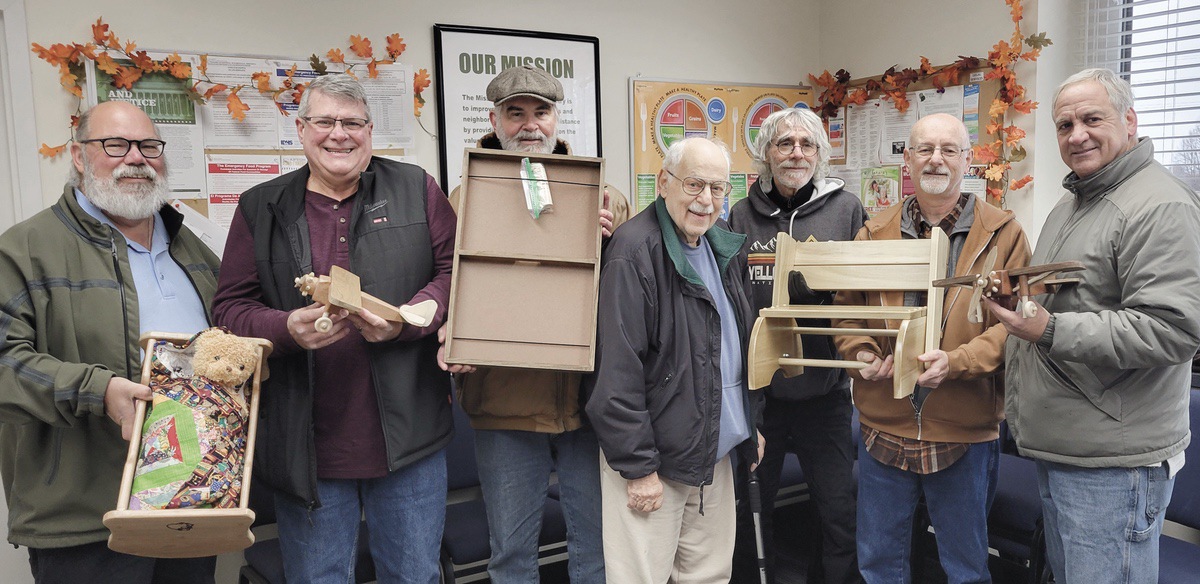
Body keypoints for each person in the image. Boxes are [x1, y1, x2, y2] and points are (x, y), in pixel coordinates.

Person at [211, 73, 455, 583]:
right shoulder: (261, 206)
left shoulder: (417, 189)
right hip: (307, 445)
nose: (338, 134)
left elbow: (455, 276)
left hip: (410, 439)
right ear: (300, 129)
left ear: (370, 131)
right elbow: (230, 307)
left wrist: (403, 324)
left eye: (352, 123)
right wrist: (284, 330)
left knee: (414, 577)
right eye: (324, 121)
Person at [989, 68, 1200, 583]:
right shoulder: (1075, 200)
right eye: (1064, 125)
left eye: (1091, 119)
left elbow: (1171, 329)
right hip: (1067, 446)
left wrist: (1046, 327)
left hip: (1112, 463)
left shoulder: (1160, 205)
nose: (1076, 134)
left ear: (1129, 122)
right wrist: (1021, 296)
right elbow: (1073, 294)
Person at [0, 101, 220, 583]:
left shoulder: (193, 246)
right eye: (115, 145)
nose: (136, 159)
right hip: (84, 516)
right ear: (80, 156)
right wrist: (97, 392)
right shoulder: (26, 248)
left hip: (188, 499)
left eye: (148, 146)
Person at [438, 65, 628, 584]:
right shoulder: (463, 200)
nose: (530, 125)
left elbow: (632, 297)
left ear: (556, 118)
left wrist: (612, 243)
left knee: (598, 548)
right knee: (512, 556)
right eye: (516, 113)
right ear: (495, 119)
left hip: (588, 403)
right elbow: (447, 290)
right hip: (504, 402)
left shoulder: (605, 198)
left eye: (540, 112)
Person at [833, 113, 1031, 583]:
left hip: (964, 429)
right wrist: (860, 354)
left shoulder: (1005, 234)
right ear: (908, 159)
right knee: (880, 565)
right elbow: (846, 312)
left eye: (948, 149)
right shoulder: (872, 232)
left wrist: (958, 363)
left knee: (965, 569)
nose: (936, 159)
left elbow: (1016, 325)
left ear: (968, 159)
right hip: (883, 427)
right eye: (924, 148)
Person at [586, 137, 763, 583]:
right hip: (655, 463)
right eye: (694, 184)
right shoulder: (633, 251)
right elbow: (617, 373)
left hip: (713, 455)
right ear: (664, 183)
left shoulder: (722, 247)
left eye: (718, 188)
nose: (706, 200)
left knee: (710, 576)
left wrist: (748, 424)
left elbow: (729, 347)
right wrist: (638, 466)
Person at [727, 107, 864, 584]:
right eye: (784, 143)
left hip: (824, 393)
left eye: (807, 145)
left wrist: (827, 296)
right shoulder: (741, 214)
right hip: (760, 395)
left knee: (837, 514)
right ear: (767, 152)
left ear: (821, 155)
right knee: (750, 509)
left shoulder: (846, 209)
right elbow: (732, 295)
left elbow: (861, 293)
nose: (796, 153)